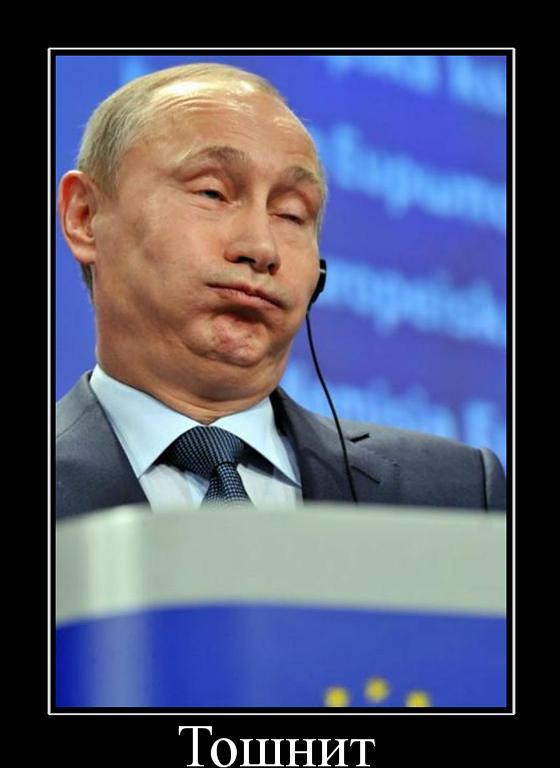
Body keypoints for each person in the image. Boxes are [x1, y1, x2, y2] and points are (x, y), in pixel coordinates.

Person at [56, 62, 506, 520]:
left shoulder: (456, 494)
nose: (261, 249)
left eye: (291, 214)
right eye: (212, 193)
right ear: (85, 217)